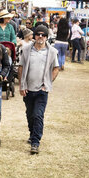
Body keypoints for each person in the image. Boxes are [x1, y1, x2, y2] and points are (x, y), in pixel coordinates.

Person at [18, 25, 60, 154]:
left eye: (43, 35)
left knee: (38, 115)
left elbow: (56, 68)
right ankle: (32, 134)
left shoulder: (52, 51)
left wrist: (47, 82)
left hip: (42, 90)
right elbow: (21, 67)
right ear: (34, 36)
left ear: (47, 37)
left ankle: (35, 142)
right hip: (28, 89)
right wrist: (22, 85)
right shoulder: (26, 49)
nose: (40, 37)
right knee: (30, 114)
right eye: (38, 34)